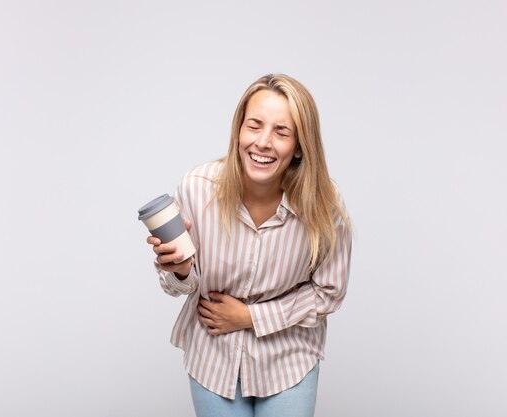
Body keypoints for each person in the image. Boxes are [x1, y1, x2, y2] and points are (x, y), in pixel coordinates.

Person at [146, 74, 352, 417]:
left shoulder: (324, 206)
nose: (263, 143)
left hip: (289, 358)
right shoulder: (197, 189)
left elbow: (329, 292)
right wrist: (180, 270)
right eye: (254, 126)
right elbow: (179, 285)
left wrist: (251, 317)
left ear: (300, 146)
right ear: (238, 131)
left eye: (281, 132)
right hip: (213, 355)